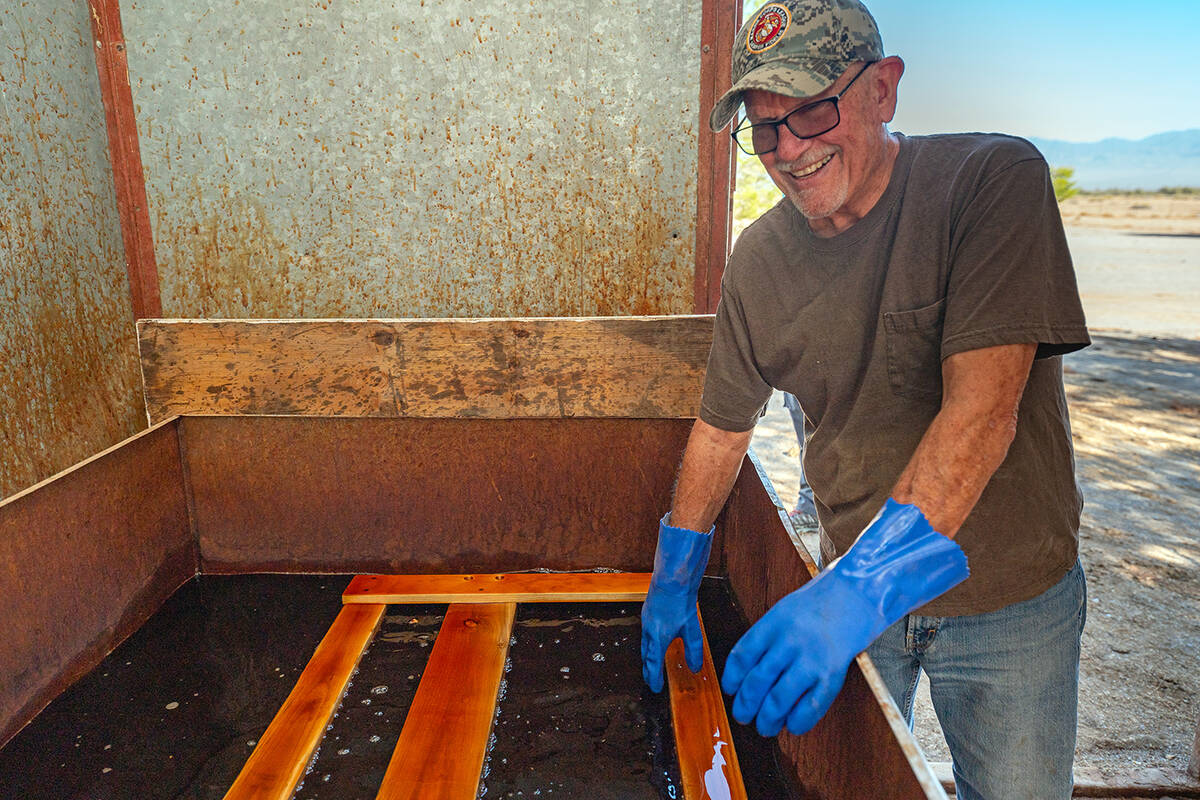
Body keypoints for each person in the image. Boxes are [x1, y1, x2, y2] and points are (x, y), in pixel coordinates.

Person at [639, 2, 1090, 798]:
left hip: (1006, 597)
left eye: (812, 109)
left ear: (883, 90)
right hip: (849, 594)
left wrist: (855, 593)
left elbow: (982, 413)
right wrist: (677, 566)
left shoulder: (989, 184)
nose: (790, 149)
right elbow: (722, 426)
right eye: (765, 126)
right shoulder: (760, 261)